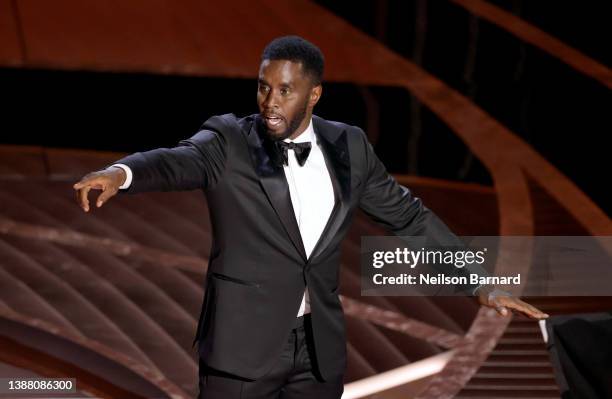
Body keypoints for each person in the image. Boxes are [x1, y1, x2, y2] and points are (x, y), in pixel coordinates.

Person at [73, 35, 548, 399]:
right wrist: (122, 173)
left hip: (317, 353)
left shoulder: (351, 147)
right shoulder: (228, 142)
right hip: (242, 350)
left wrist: (478, 282)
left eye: (285, 90)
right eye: (263, 87)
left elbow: (410, 218)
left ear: (315, 95)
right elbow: (175, 161)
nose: (270, 102)